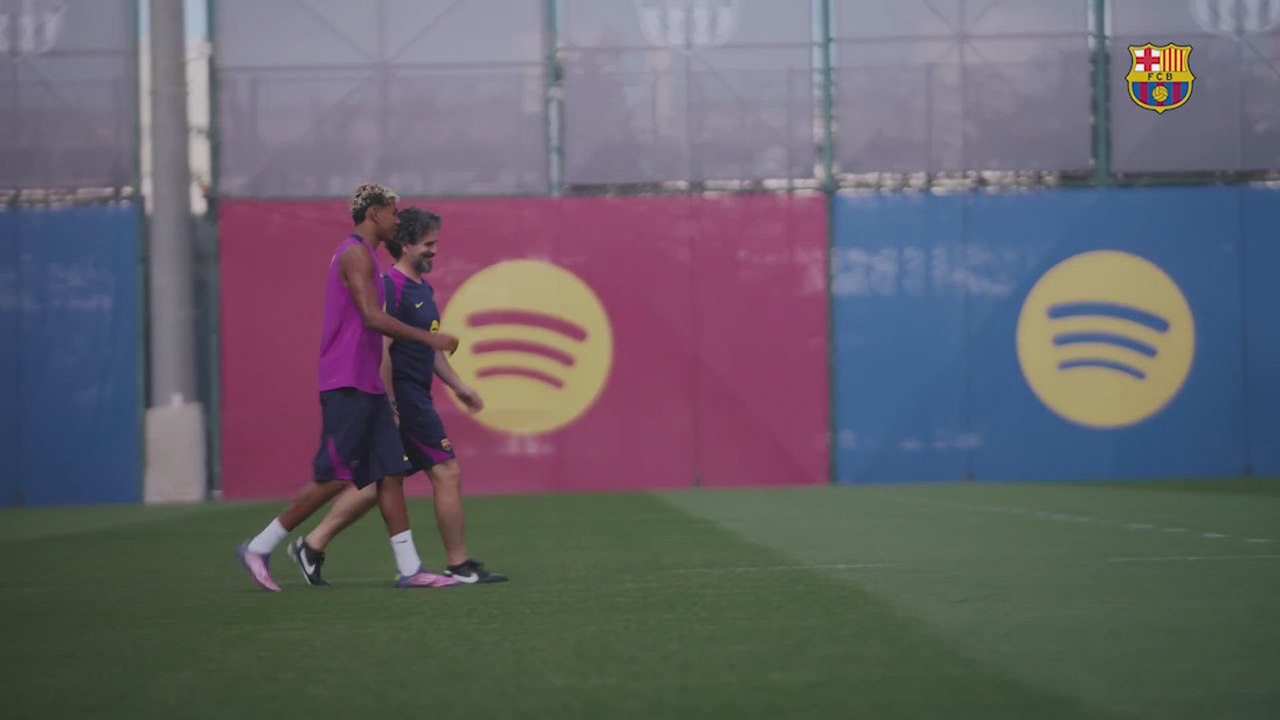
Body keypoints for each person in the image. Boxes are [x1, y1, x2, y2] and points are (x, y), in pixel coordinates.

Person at [236, 184, 462, 591]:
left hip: (368, 382)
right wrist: (432, 339)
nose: (397, 220)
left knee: (391, 473)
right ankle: (259, 546)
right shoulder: (355, 253)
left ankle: (410, 570)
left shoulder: (367, 257)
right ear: (375, 214)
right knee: (335, 477)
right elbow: (372, 318)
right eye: (393, 213)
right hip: (347, 381)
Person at [287, 208, 508, 586]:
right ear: (404, 246)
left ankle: (312, 545)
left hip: (413, 394)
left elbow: (430, 349)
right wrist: (389, 403)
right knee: (446, 471)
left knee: (380, 482)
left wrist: (458, 385)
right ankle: (458, 565)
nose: (435, 252)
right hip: (404, 398)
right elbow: (383, 348)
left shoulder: (423, 288)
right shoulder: (391, 287)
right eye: (428, 245)